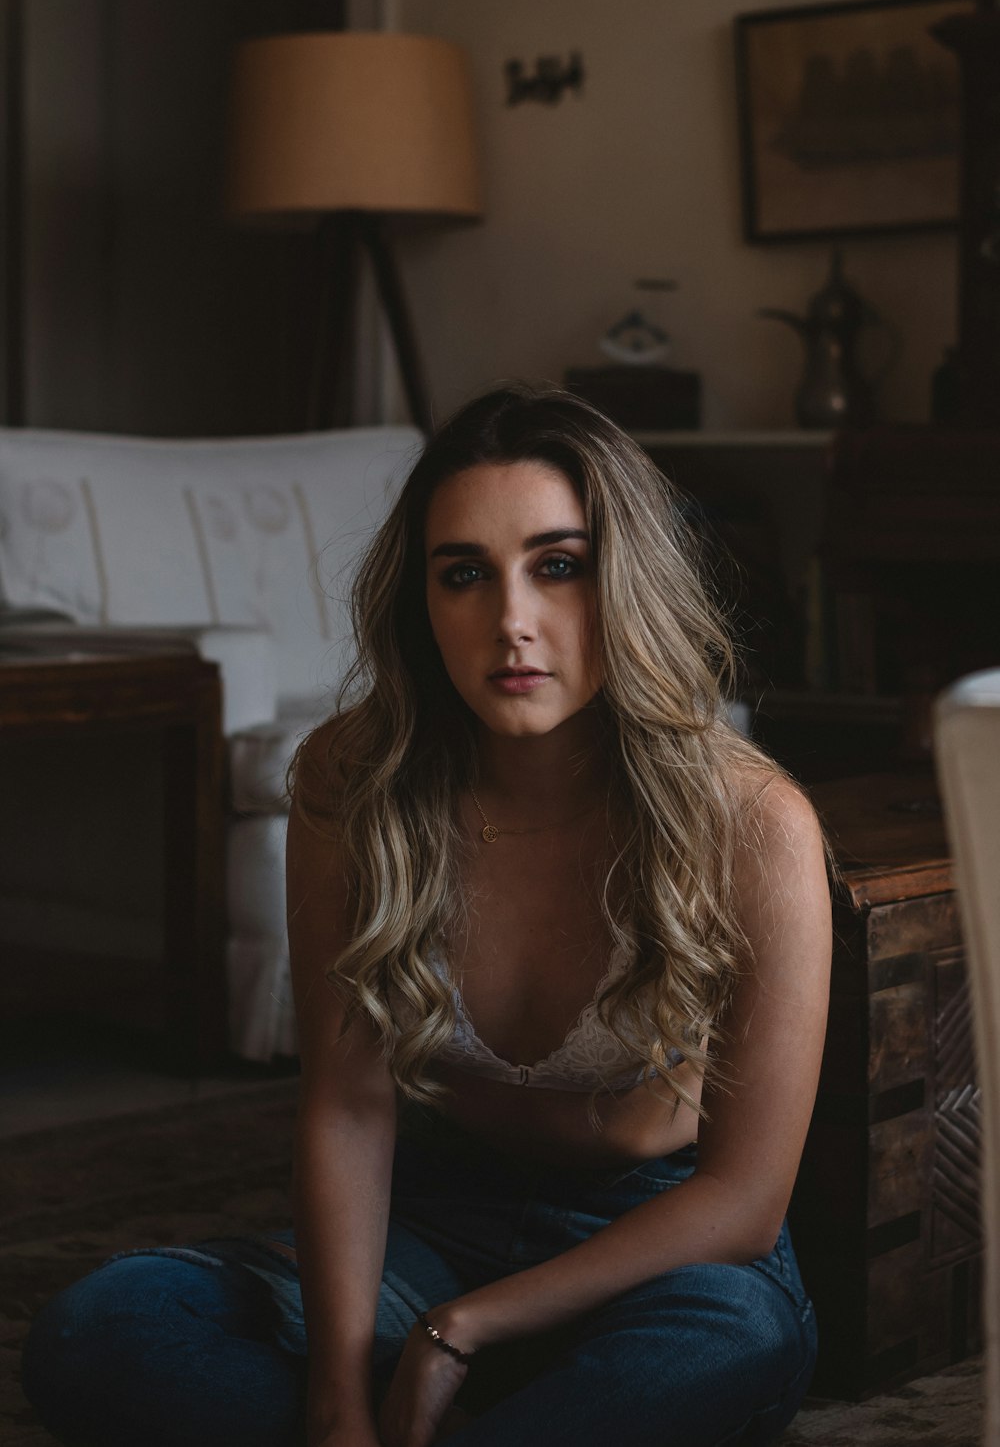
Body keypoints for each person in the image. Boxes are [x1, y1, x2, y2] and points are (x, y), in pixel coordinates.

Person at [23, 384, 831, 1447]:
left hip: (658, 1248)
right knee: (100, 1332)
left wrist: (464, 1331)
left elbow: (744, 1202)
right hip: (438, 1219)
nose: (511, 621)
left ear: (623, 578)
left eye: (557, 564)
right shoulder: (353, 785)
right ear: (421, 603)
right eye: (464, 574)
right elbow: (349, 1111)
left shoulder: (749, 820)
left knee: (720, 1349)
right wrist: (341, 1400)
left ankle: (495, 1396)